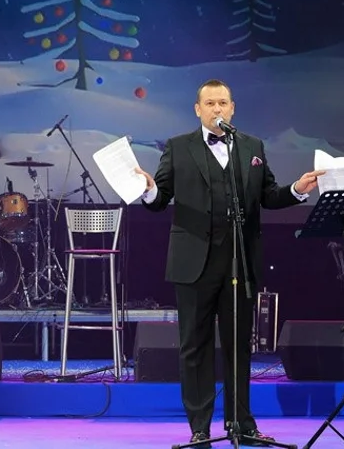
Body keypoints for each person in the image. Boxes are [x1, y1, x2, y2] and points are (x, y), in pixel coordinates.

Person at [136, 79, 324, 447]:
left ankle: (241, 424)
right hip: (194, 262)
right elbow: (160, 200)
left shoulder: (252, 146)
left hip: (239, 260)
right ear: (198, 109)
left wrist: (297, 190)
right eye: (210, 103)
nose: (217, 109)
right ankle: (200, 428)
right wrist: (149, 189)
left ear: (232, 108)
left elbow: (268, 196)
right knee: (195, 345)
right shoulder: (178, 147)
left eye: (222, 102)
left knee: (239, 344)